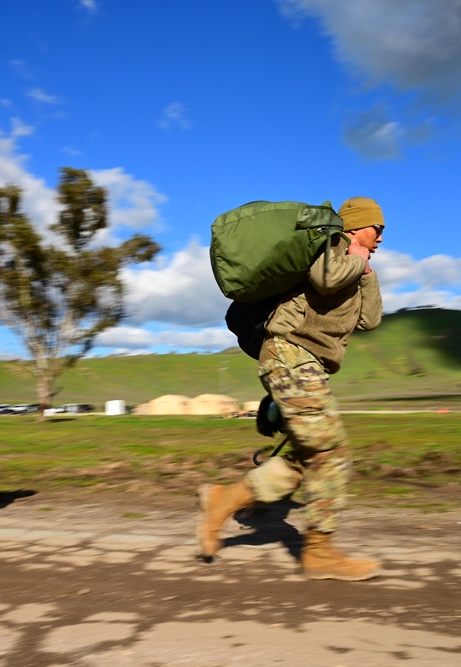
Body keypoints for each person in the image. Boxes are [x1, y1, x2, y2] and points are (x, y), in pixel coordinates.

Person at [198, 196, 385, 581]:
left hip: (305, 361)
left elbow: (369, 320)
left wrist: (366, 269)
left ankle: (224, 499)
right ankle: (319, 552)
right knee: (331, 453)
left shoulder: (355, 261)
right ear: (355, 225)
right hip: (289, 352)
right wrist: (351, 257)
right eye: (377, 229)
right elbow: (325, 279)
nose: (381, 237)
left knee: (309, 458)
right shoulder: (329, 245)